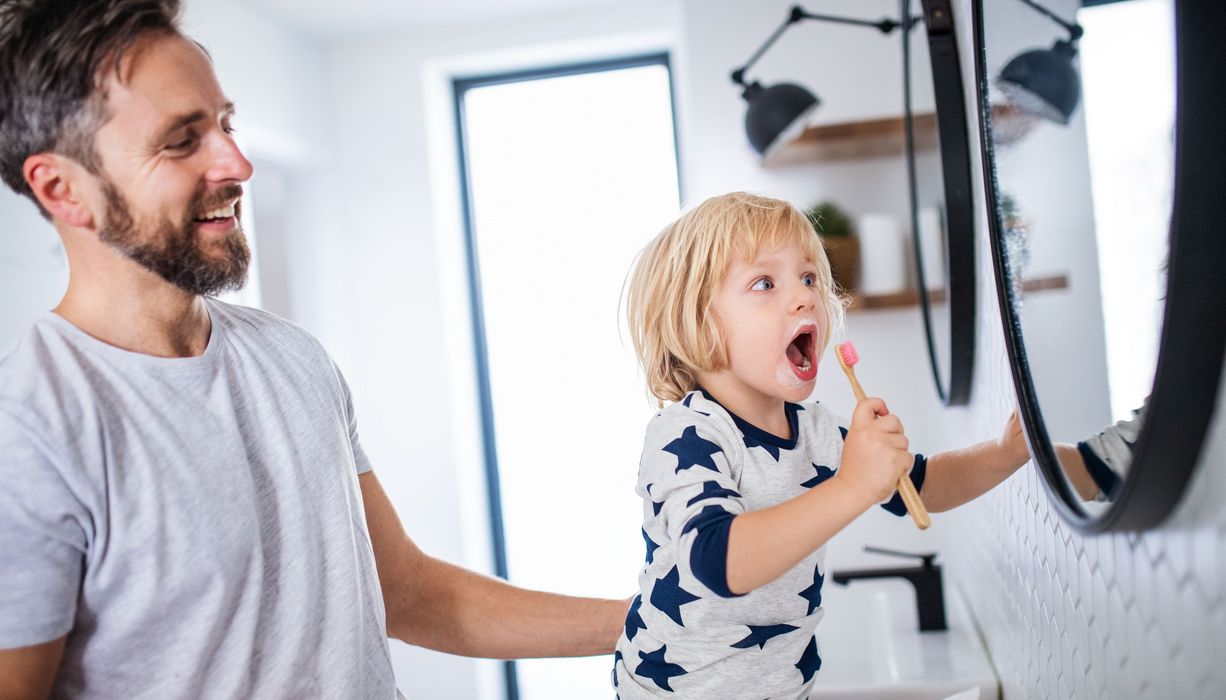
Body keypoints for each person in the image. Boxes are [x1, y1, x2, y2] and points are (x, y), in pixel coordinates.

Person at [0, 1, 626, 697]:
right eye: (182, 141)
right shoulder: (29, 430)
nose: (236, 163)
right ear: (62, 189)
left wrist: (664, 622)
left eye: (225, 124)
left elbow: (409, 594)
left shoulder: (291, 359)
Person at [611, 192, 1030, 698]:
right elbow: (720, 561)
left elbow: (922, 485)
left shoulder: (816, 431)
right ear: (699, 321)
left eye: (808, 278)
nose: (806, 296)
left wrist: (1005, 453)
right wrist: (853, 483)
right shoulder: (688, 435)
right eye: (765, 283)